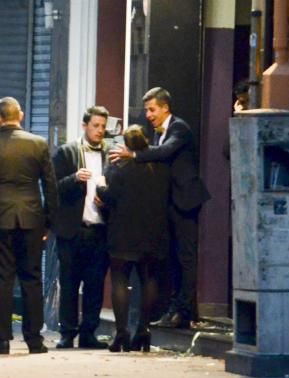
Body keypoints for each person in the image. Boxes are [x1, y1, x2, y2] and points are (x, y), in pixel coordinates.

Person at [109, 87, 210, 328]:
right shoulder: (158, 133)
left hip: (185, 201)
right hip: (169, 203)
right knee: (173, 259)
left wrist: (133, 154)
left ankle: (184, 311)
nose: (148, 115)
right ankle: (178, 308)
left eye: (152, 109)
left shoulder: (179, 128)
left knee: (186, 258)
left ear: (165, 107)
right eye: (146, 110)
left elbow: (165, 152)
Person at [0, 97, 59, 355]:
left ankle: (2, 338)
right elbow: (50, 185)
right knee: (32, 277)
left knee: (3, 279)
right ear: (19, 115)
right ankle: (34, 339)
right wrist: (48, 220)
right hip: (32, 218)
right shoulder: (39, 144)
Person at [98, 125, 170, 352]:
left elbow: (110, 197)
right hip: (153, 234)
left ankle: (122, 334)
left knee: (120, 280)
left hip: (123, 234)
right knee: (149, 280)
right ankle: (144, 330)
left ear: (126, 147)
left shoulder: (120, 170)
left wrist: (100, 186)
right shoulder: (161, 169)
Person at [51, 106, 111, 349]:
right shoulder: (66, 152)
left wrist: (108, 199)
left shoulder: (110, 154)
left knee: (95, 284)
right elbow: (53, 188)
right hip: (72, 230)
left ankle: (89, 332)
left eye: (103, 127)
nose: (99, 131)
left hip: (100, 228)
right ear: (85, 125)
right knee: (69, 283)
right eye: (95, 126)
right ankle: (67, 332)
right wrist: (74, 178)